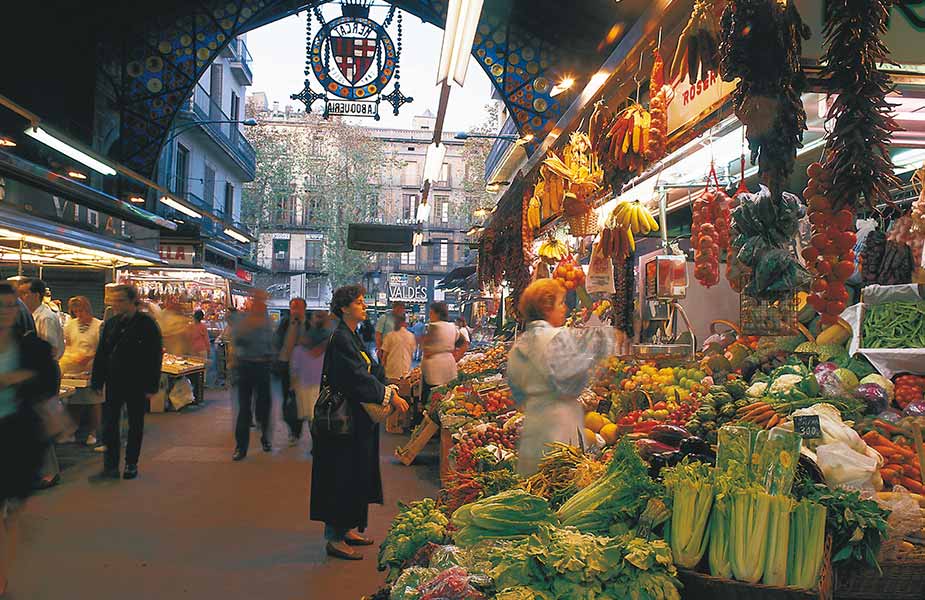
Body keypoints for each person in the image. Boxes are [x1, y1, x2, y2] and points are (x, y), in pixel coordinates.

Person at [310, 285, 409, 561]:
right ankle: (334, 537)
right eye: (359, 302)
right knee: (340, 476)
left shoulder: (351, 335)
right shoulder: (340, 337)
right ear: (344, 308)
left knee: (354, 475)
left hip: (357, 421)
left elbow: (371, 367)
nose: (364, 306)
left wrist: (388, 383)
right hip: (343, 422)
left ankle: (348, 528)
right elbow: (354, 377)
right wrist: (389, 395)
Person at [507, 279, 615, 475]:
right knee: (560, 488)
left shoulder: (518, 345)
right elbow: (572, 384)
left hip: (533, 430)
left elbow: (517, 394)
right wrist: (599, 355)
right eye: (560, 303)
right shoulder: (558, 336)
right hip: (560, 428)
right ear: (546, 308)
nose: (564, 308)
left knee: (532, 487)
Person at [0, 283, 60, 597]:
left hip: (16, 432)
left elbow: (48, 382)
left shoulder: (28, 347)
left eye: (11, 306)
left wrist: (20, 378)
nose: (6, 312)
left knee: (13, 506)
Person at [90, 284, 163, 481]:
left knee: (135, 423)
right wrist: (97, 381)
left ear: (132, 302)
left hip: (137, 382)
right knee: (110, 424)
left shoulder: (146, 324)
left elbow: (154, 356)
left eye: (120, 300)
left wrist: (151, 385)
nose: (116, 304)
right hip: (113, 381)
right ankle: (111, 466)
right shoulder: (111, 324)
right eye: (114, 301)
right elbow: (102, 353)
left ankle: (131, 463)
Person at [17, 278, 64, 489]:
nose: (21, 297)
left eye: (25, 293)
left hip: (42, 373)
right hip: (35, 371)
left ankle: (50, 472)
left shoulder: (45, 318)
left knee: (42, 418)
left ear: (37, 294)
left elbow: (50, 351)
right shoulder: (31, 315)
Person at [231, 290, 275, 460]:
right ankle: (241, 447)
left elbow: (272, 344)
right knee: (244, 408)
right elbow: (237, 340)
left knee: (264, 407)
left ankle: (265, 438)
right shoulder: (243, 320)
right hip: (245, 367)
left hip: (263, 366)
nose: (261, 303)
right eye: (258, 299)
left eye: (263, 300)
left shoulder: (268, 322)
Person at [60, 296, 103, 446]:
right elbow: (68, 345)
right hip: (73, 368)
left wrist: (89, 357)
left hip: (92, 367)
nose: (79, 314)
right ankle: (72, 431)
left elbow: (102, 349)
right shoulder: (70, 325)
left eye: (81, 310)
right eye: (75, 311)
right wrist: (73, 356)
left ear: (88, 309)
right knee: (74, 401)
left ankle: (94, 433)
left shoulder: (99, 325)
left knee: (93, 402)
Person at [288, 310, 330, 443]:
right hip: (322, 384)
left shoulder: (303, 342)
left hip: (305, 383)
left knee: (311, 415)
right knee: (318, 416)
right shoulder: (331, 340)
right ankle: (317, 442)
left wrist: (293, 382)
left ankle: (315, 441)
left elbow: (295, 365)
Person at [275, 298, 308, 445]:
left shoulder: (311, 324)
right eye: (293, 307)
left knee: (302, 401)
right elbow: (277, 342)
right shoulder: (284, 323)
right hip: (286, 367)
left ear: (304, 309)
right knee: (287, 400)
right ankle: (292, 429)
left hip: (304, 369)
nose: (295, 310)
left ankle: (297, 431)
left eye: (298, 307)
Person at [420, 302, 460, 407]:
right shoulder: (453, 327)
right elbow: (464, 343)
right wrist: (456, 356)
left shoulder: (433, 326)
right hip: (449, 366)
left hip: (434, 368)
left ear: (437, 313)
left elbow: (426, 348)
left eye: (431, 312)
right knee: (446, 397)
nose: (430, 315)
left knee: (432, 398)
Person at [380, 314, 416, 381]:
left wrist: (382, 369)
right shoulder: (411, 336)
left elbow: (384, 356)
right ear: (404, 322)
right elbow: (411, 353)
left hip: (391, 371)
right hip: (406, 370)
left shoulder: (389, 336)